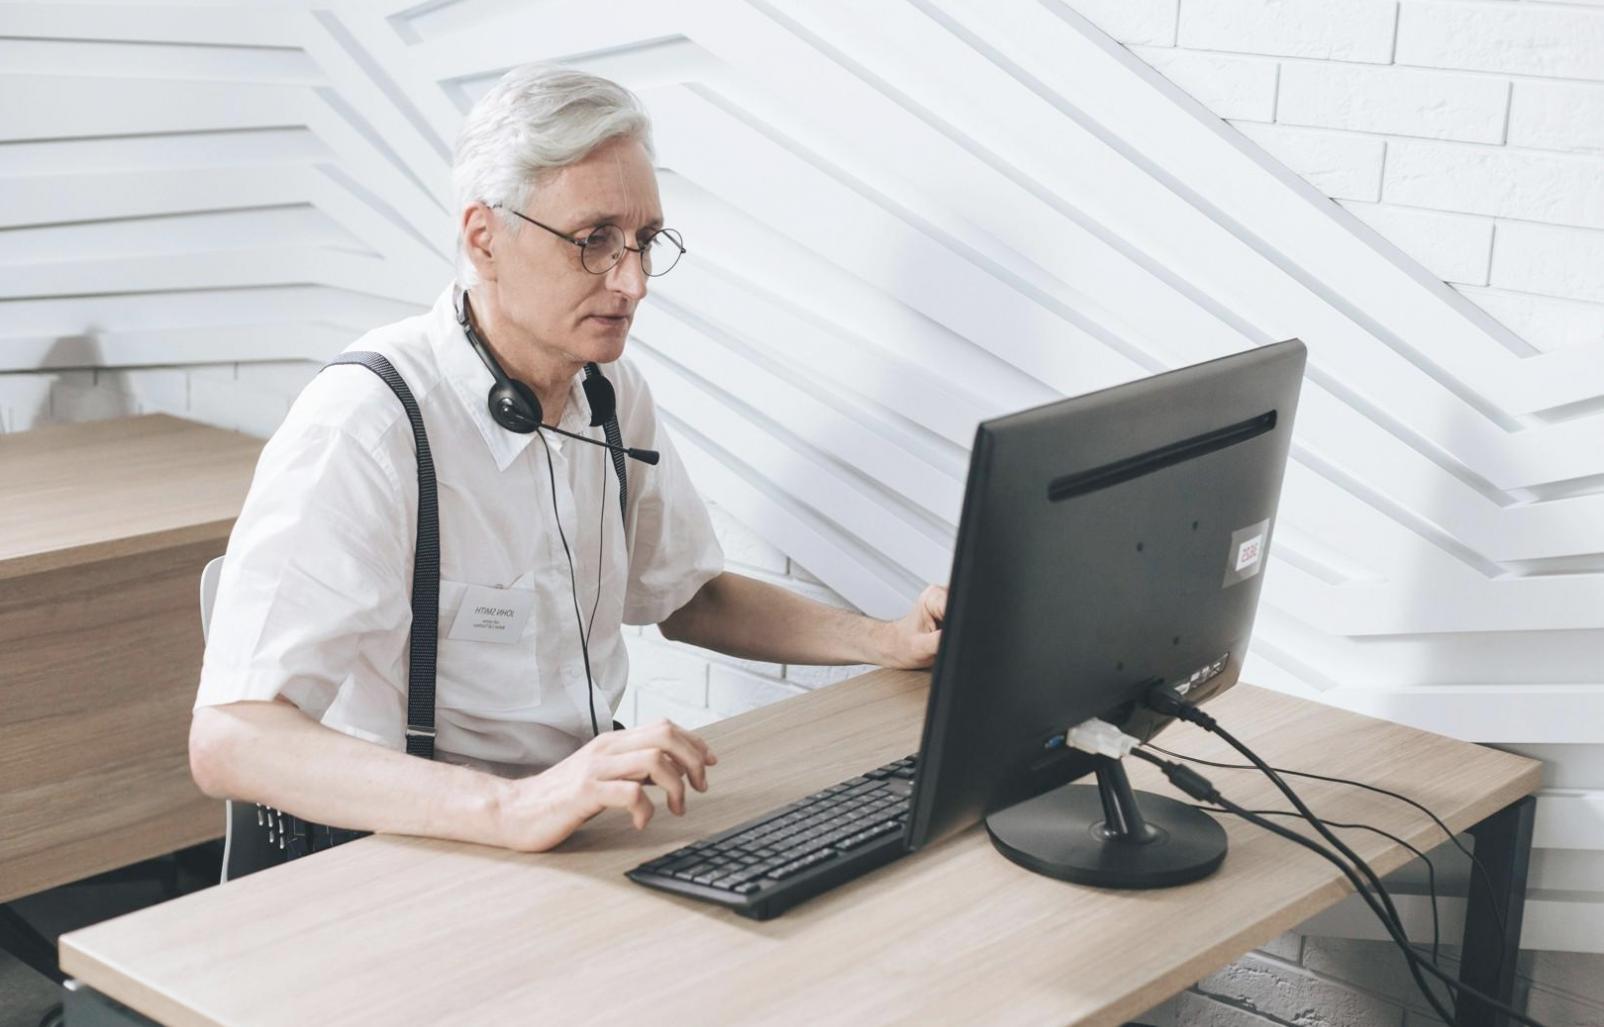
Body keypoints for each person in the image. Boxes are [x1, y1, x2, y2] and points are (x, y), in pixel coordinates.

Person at [188, 64, 948, 854]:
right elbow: (231, 740)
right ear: (485, 238)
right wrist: (515, 807)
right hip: (419, 844)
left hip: (579, 821)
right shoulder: (367, 424)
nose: (633, 282)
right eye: (594, 242)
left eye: (645, 242)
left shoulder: (612, 392)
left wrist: (884, 640)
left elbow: (690, 596)